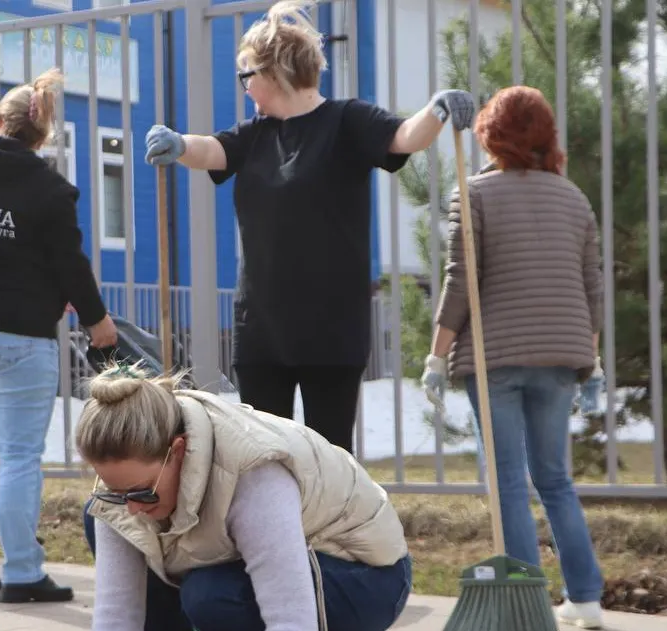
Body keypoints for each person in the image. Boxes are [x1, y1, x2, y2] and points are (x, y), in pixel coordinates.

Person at [142, 0, 475, 453]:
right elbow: (210, 151)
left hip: (331, 330)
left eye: (247, 76)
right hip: (262, 330)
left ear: (274, 72)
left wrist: (436, 109)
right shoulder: (254, 134)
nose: (245, 88)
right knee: (263, 455)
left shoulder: (348, 121)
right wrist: (179, 144)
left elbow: (404, 137)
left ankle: (328, 528)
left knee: (331, 459)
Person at [78, 363, 412, 631]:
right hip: (251, 561)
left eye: (141, 492)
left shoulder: (255, 475)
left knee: (212, 598)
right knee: (100, 515)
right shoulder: (129, 483)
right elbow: (116, 623)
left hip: (364, 578)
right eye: (116, 491)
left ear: (177, 451)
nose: (130, 505)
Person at [419, 85, 606, 630]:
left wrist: (437, 356)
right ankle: (587, 597)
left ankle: (528, 604)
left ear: (489, 134)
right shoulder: (574, 199)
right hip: (561, 355)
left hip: (496, 357)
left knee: (506, 481)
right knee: (554, 478)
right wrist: (590, 359)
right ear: (547, 134)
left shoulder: (473, 193)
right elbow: (591, 286)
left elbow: (461, 282)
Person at [0, 68, 118, 603]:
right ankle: (21, 571)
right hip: (21, 334)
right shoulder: (49, 191)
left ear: (0, 122)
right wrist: (99, 322)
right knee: (20, 454)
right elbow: (70, 264)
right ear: (41, 135)